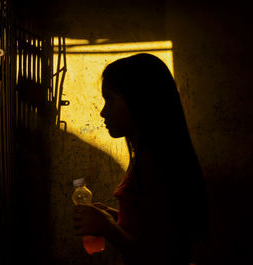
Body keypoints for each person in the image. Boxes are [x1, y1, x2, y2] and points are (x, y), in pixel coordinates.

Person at [73, 53, 209, 265]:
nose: (102, 112)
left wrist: (107, 228)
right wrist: (114, 217)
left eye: (109, 99)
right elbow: (153, 228)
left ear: (139, 101)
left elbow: (160, 256)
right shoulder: (149, 157)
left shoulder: (157, 166)